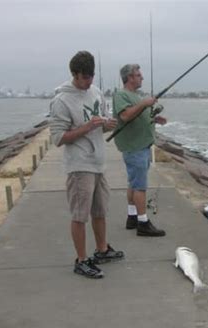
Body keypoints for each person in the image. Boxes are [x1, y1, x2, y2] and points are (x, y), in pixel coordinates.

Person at [50, 50, 124, 279]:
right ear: (74, 74)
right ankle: (81, 260)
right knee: (80, 215)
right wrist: (88, 127)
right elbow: (58, 138)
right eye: (85, 77)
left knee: (101, 211)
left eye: (91, 76)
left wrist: (107, 125)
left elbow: (101, 123)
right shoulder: (61, 100)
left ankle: (101, 250)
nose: (89, 81)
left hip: (98, 162)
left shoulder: (96, 92)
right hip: (79, 165)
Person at [113, 64, 168, 237]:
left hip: (141, 146)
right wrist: (144, 103)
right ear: (129, 77)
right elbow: (125, 116)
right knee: (140, 187)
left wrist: (154, 119)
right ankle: (143, 223)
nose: (141, 78)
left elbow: (139, 115)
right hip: (134, 147)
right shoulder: (121, 95)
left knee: (134, 183)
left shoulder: (135, 96)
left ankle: (132, 217)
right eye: (138, 75)